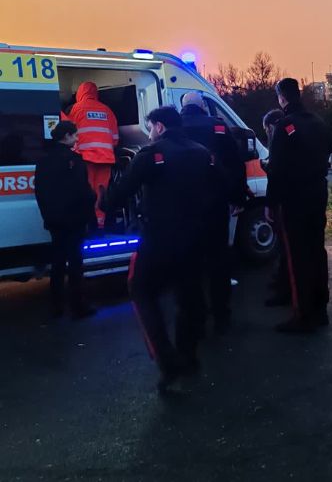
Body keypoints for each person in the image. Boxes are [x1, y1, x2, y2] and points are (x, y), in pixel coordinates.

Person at [101, 106, 217, 393]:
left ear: (160, 127)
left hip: (159, 238)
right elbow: (218, 187)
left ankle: (167, 360)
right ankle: (188, 356)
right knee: (188, 297)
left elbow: (122, 192)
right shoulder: (201, 152)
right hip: (194, 236)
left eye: (151, 126)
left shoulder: (151, 155)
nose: (150, 132)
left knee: (140, 289)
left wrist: (104, 203)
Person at [267, 78, 332, 333]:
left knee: (298, 256)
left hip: (294, 198)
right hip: (318, 192)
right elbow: (330, 145)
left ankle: (304, 314)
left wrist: (271, 203)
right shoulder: (318, 122)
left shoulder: (284, 126)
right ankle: (321, 308)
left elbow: (276, 168)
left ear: (281, 98)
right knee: (317, 250)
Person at [180, 92, 248, 335]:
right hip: (215, 204)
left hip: (183, 210)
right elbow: (236, 163)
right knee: (218, 261)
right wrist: (238, 197)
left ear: (184, 107)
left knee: (190, 264)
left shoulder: (174, 128)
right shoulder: (218, 126)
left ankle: (194, 317)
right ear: (202, 107)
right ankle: (221, 315)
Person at [33, 121, 97, 319]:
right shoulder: (74, 160)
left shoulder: (42, 161)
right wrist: (91, 216)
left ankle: (56, 306)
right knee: (75, 264)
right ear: (67, 136)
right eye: (75, 135)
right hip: (73, 220)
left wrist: (47, 215)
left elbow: (40, 192)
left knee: (58, 263)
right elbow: (83, 192)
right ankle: (78, 306)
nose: (77, 139)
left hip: (54, 220)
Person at [68, 81, 119, 230]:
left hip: (85, 158)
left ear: (80, 93)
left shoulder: (75, 109)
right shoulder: (107, 110)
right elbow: (115, 138)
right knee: (100, 193)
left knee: (87, 192)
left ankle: (88, 225)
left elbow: (70, 134)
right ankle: (100, 223)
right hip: (106, 158)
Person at [260, 108, 291, 308]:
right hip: (305, 200)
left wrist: (269, 204)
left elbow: (275, 175)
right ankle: (284, 284)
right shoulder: (298, 135)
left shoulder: (279, 142)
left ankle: (285, 290)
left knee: (286, 248)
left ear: (271, 127)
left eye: (266, 130)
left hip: (285, 202)